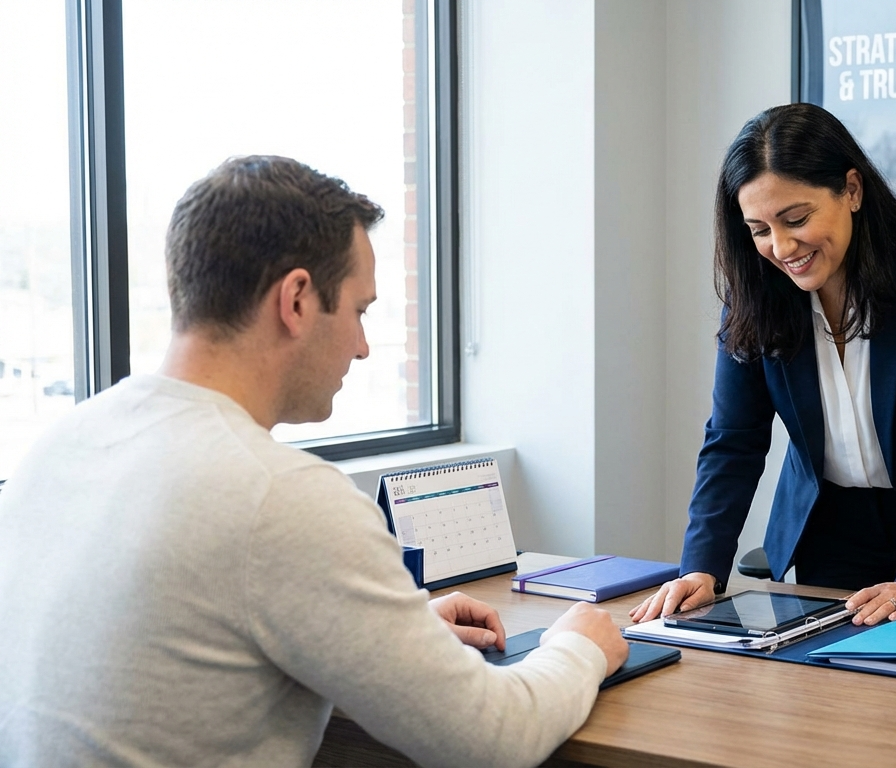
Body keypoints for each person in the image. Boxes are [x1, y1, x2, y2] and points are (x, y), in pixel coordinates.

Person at [0, 155, 628, 768]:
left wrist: (386, 637)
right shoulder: (280, 496)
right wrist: (579, 647)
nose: (360, 347)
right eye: (359, 311)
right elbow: (497, 738)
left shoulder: (59, 447)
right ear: (297, 299)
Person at [631, 104, 896, 627]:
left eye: (796, 219)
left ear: (851, 190)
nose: (782, 248)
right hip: (832, 532)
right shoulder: (756, 296)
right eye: (759, 229)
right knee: (827, 696)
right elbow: (732, 441)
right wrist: (701, 568)